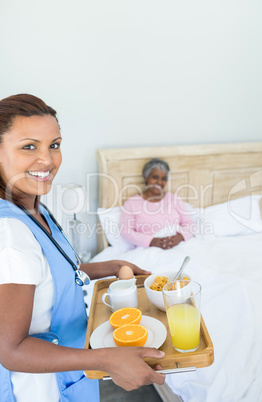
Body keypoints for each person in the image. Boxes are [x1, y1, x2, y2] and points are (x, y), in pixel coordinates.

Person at [0, 94, 165, 402]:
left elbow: (43, 274)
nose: (47, 160)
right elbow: (11, 350)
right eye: (28, 146)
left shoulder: (33, 208)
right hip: (39, 389)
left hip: (68, 373)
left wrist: (104, 267)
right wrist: (103, 359)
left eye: (54, 144)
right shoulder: (10, 233)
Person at [121, 158, 193, 249]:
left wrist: (180, 237)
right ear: (146, 177)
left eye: (163, 179)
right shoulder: (131, 203)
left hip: (179, 245)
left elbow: (189, 223)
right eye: (155, 177)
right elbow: (126, 231)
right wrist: (151, 241)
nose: (159, 182)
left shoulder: (174, 199)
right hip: (149, 249)